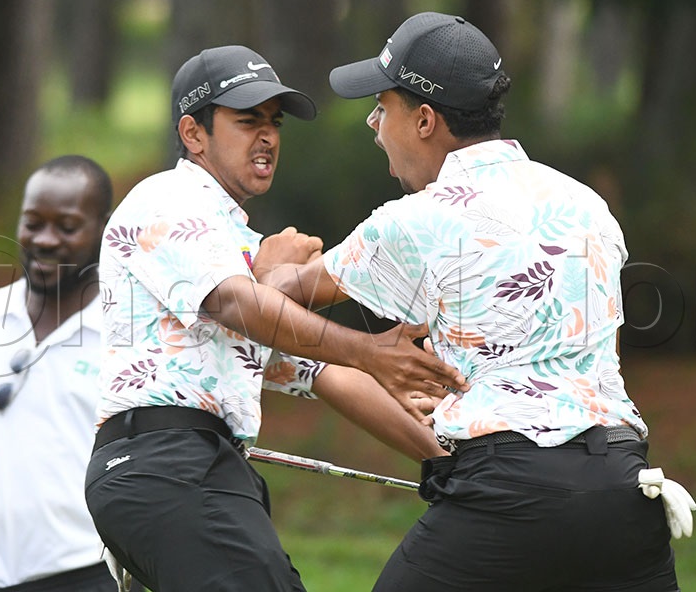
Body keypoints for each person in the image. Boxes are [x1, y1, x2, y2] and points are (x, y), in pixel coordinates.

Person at [258, 12, 696, 592]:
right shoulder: (585, 203)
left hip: (510, 492)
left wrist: (269, 262)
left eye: (381, 107)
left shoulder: (417, 219)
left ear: (423, 120)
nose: (372, 123)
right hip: (624, 490)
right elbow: (604, 354)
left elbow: (271, 303)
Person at [84, 45, 465, 592]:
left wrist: (443, 460)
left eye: (274, 122)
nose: (267, 136)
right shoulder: (165, 199)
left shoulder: (238, 245)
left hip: (205, 471)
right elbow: (238, 305)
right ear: (194, 134)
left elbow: (323, 371)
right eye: (246, 121)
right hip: (163, 464)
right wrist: (369, 347)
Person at [0, 155, 125, 591]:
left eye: (67, 227)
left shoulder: (127, 335)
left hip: (86, 577)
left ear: (104, 229)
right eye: (33, 223)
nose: (45, 240)